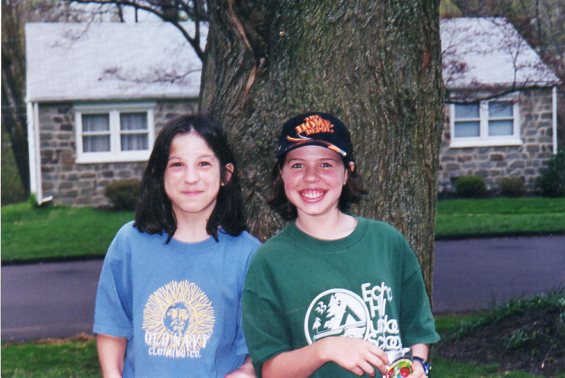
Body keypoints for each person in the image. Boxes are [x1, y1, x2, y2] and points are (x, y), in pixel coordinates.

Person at [242, 112, 440, 378]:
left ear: (348, 173)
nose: (311, 177)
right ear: (281, 174)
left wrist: (419, 365)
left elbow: (418, 327)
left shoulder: (387, 242)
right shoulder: (268, 261)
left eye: (326, 165)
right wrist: (326, 348)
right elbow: (270, 370)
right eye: (297, 165)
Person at [93, 114, 259, 378]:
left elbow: (257, 348)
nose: (190, 177)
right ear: (159, 174)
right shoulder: (129, 244)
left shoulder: (248, 255)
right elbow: (112, 328)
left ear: (226, 174)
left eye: (204, 163)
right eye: (177, 164)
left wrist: (248, 371)